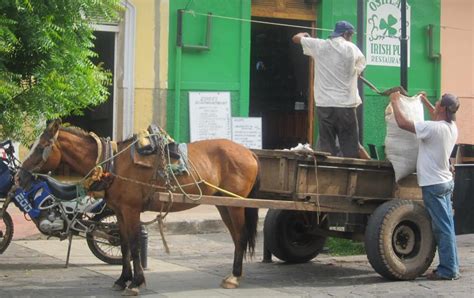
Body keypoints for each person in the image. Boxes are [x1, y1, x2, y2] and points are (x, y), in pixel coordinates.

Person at [390, 91, 461, 280]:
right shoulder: (451, 127)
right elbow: (435, 115)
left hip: (433, 185)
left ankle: (448, 270)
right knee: (447, 226)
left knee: (442, 228)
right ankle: (453, 265)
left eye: (438, 103)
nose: (435, 105)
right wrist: (425, 101)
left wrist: (395, 102)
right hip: (445, 182)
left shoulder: (433, 129)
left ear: (444, 109)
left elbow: (403, 124)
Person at [292, 21, 366, 158]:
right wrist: (356, 71)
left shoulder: (319, 45)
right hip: (346, 105)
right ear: (346, 34)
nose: (351, 38)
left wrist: (305, 35)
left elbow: (296, 38)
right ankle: (350, 173)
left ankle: (327, 171)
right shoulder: (351, 48)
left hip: (324, 104)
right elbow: (361, 65)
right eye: (351, 35)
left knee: (327, 145)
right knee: (350, 144)